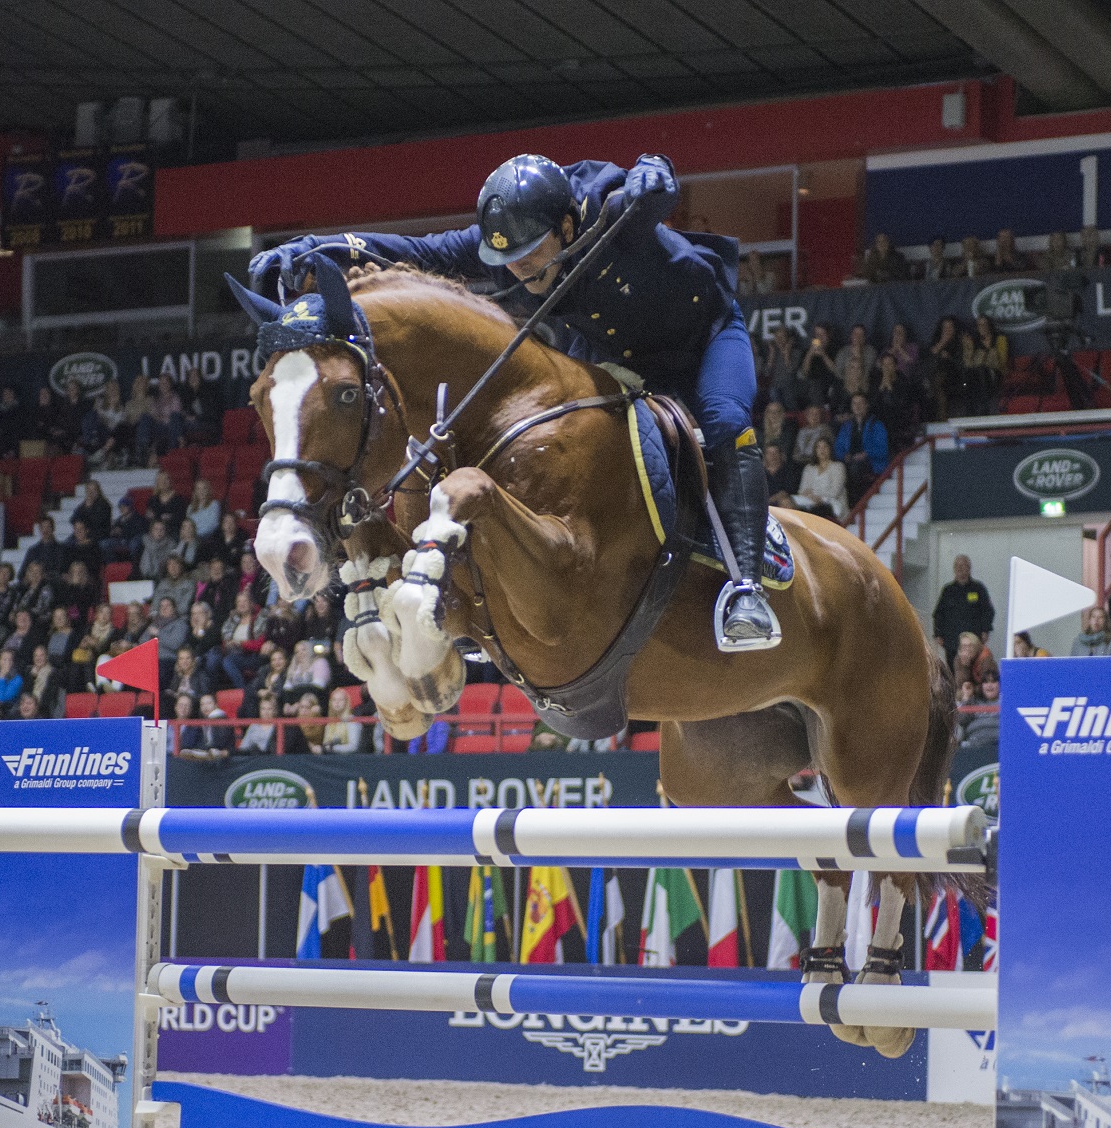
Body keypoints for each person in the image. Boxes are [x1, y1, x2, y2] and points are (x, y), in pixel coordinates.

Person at [251, 152, 780, 652]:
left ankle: (748, 587)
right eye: (506, 259)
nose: (519, 270)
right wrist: (317, 248)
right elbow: (420, 250)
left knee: (726, 419)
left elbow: (655, 177)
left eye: (530, 255)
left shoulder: (611, 211)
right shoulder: (511, 244)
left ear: (568, 229)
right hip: (611, 353)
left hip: (702, 338)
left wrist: (654, 174)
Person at [932, 555, 993, 660]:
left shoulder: (978, 588)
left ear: (969, 568)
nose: (959, 568)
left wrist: (985, 630)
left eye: (962, 565)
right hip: (952, 642)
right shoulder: (948, 590)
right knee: (953, 672)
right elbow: (938, 614)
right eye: (956, 566)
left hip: (973, 641)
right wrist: (938, 634)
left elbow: (987, 611)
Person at [792, 436, 848, 520]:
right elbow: (802, 490)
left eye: (825, 447)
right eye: (819, 447)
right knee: (789, 501)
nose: (822, 450)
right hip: (810, 499)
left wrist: (819, 497)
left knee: (816, 509)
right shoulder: (809, 468)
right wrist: (811, 496)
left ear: (830, 449)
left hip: (831, 502)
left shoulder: (838, 467)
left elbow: (834, 492)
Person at [318, 686, 366, 754]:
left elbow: (353, 747)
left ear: (346, 702)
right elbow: (326, 744)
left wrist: (332, 748)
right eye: (334, 700)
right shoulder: (330, 722)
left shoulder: (352, 720)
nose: (337, 702)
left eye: (341, 700)